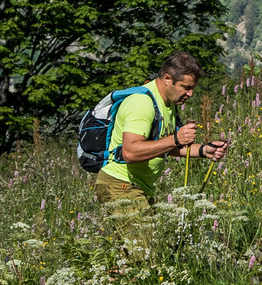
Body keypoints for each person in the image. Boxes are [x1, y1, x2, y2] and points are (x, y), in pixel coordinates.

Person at [94, 51, 228, 211]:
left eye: (193, 88)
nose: (190, 94)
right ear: (167, 79)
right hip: (120, 184)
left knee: (147, 235)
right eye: (185, 87)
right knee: (146, 236)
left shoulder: (168, 103)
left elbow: (162, 146)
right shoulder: (142, 103)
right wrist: (176, 139)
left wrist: (204, 150)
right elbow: (129, 153)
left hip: (138, 187)